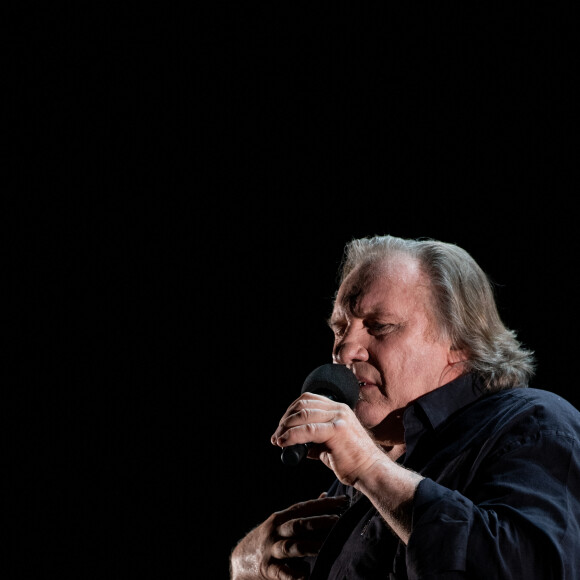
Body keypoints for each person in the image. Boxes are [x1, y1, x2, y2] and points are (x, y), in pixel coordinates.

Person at [230, 234, 580, 579]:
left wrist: (370, 468)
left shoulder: (536, 424)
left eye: (379, 326)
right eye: (339, 329)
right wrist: (246, 563)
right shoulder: (353, 479)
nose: (344, 350)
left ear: (460, 340)